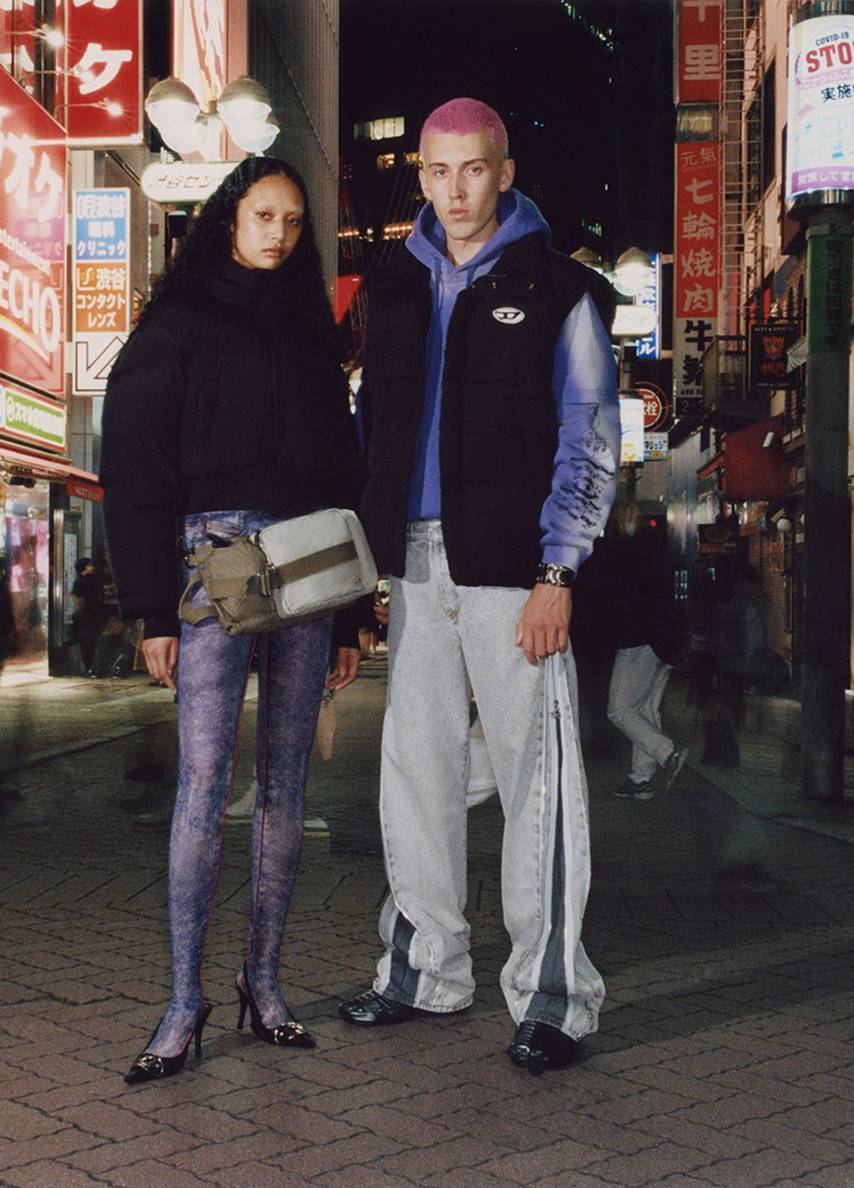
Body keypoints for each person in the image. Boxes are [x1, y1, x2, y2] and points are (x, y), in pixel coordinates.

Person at [339, 98, 620, 1076]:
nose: (454, 189)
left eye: (473, 170)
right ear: (417, 175)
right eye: (436, 170)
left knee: (535, 785)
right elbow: (370, 433)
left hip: (514, 573)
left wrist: (558, 571)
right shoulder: (392, 287)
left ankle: (552, 997)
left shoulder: (560, 290)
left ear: (502, 172)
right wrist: (362, 569)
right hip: (411, 567)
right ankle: (425, 972)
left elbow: (587, 441)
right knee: (412, 773)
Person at [101, 157, 365, 1082]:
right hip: (212, 561)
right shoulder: (177, 322)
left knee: (288, 781)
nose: (279, 234)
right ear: (226, 219)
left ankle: (265, 986)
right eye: (263, 215)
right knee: (204, 781)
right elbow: (132, 465)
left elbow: (345, 475)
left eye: (293, 221)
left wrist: (351, 619)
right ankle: (184, 1001)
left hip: (303, 563)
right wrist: (148, 610)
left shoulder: (309, 333)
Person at [606, 529, 688, 801]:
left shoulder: (625, 571)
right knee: (645, 709)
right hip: (662, 646)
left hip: (638, 643)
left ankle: (668, 753)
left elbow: (621, 608)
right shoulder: (658, 568)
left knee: (620, 710)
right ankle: (642, 777)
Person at [71, 557, 106, 676]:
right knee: (90, 641)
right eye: (89, 565)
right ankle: (90, 666)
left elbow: (78, 599)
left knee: (89, 641)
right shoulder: (87, 581)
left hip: (89, 615)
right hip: (90, 615)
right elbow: (80, 600)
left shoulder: (83, 581)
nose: (92, 567)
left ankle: (89, 666)